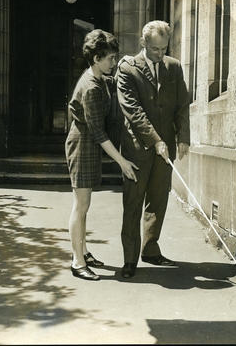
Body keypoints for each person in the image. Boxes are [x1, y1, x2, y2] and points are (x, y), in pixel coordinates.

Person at [116, 20, 190, 278]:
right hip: (138, 148)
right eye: (155, 49)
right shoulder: (127, 68)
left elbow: (182, 105)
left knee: (158, 199)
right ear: (143, 42)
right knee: (133, 202)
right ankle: (129, 259)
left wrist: (183, 138)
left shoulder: (174, 67)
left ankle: (150, 249)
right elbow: (133, 111)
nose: (160, 54)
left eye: (164, 49)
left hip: (165, 148)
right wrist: (156, 140)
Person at [65, 29, 138, 281]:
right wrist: (121, 161)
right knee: (81, 205)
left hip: (87, 144)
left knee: (84, 205)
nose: (113, 62)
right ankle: (77, 261)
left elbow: (112, 79)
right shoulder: (92, 87)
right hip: (84, 145)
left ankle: (83, 252)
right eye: (109, 58)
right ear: (96, 59)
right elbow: (98, 132)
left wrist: (126, 62)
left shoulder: (97, 77)